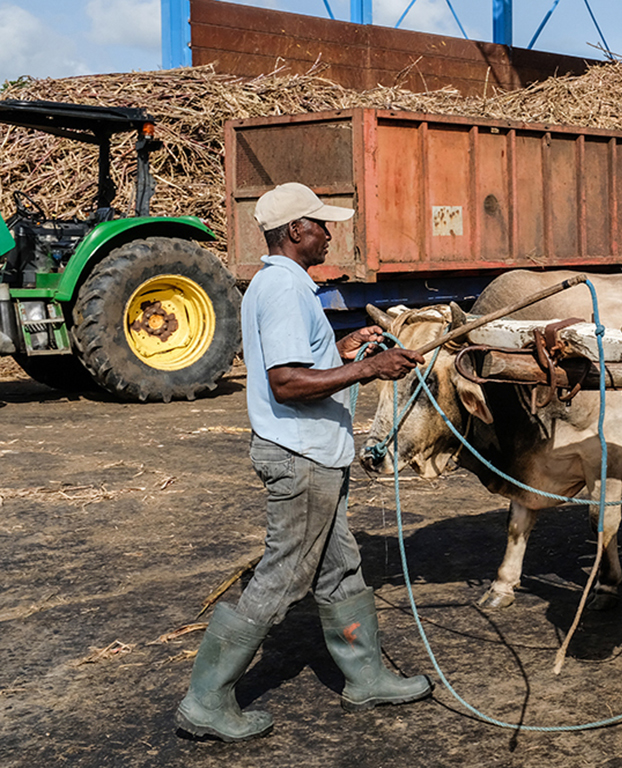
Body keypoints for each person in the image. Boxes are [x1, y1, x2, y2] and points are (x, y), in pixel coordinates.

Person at [176, 183, 432, 742]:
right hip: (301, 458)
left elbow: (296, 363)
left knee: (340, 569)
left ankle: (366, 678)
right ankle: (204, 700)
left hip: (314, 454)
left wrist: (341, 353)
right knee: (282, 576)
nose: (329, 233)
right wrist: (371, 369)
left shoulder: (281, 284)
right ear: (295, 230)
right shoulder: (286, 289)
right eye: (321, 224)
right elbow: (287, 383)